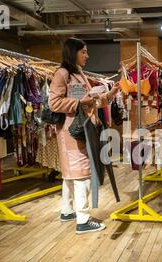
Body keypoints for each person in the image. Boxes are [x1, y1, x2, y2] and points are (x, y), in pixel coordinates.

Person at [49, 38, 120, 234]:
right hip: (72, 131)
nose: (87, 56)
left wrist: (110, 94)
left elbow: (92, 102)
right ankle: (83, 220)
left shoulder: (78, 74)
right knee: (81, 174)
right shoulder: (61, 74)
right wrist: (80, 102)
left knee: (71, 174)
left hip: (82, 128)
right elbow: (54, 103)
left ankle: (67, 210)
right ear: (73, 53)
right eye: (84, 52)